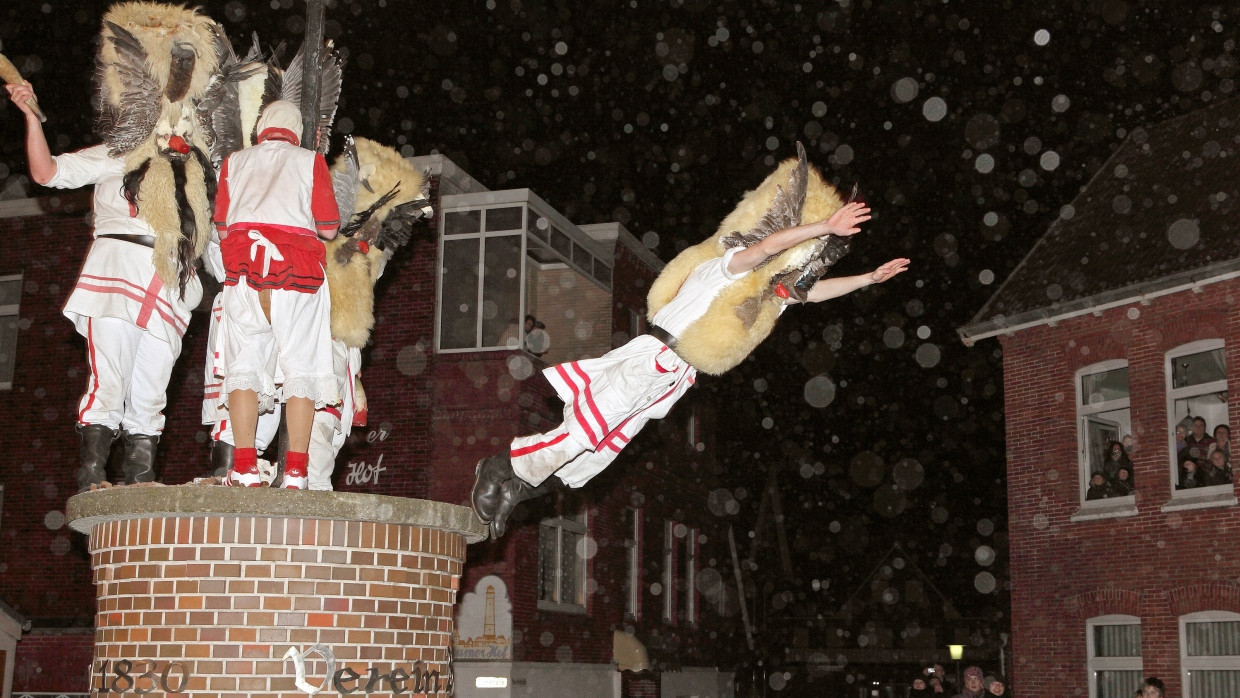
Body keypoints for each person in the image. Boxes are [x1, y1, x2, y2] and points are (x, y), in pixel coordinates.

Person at [6, 81, 204, 491]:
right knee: (109, 379)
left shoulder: (197, 176)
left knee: (151, 394)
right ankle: (92, 475)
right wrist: (30, 117)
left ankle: (140, 482)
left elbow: (218, 236)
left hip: (170, 285)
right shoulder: (120, 155)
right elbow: (47, 173)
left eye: (184, 117)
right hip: (117, 273)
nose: (175, 124)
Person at [211, 100, 341, 489]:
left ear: (260, 128)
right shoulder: (309, 160)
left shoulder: (234, 162)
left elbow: (221, 227)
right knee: (302, 370)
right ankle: (297, 473)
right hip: (296, 273)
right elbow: (330, 227)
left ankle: (245, 467)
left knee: (245, 368)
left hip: (245, 273)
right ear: (297, 131)